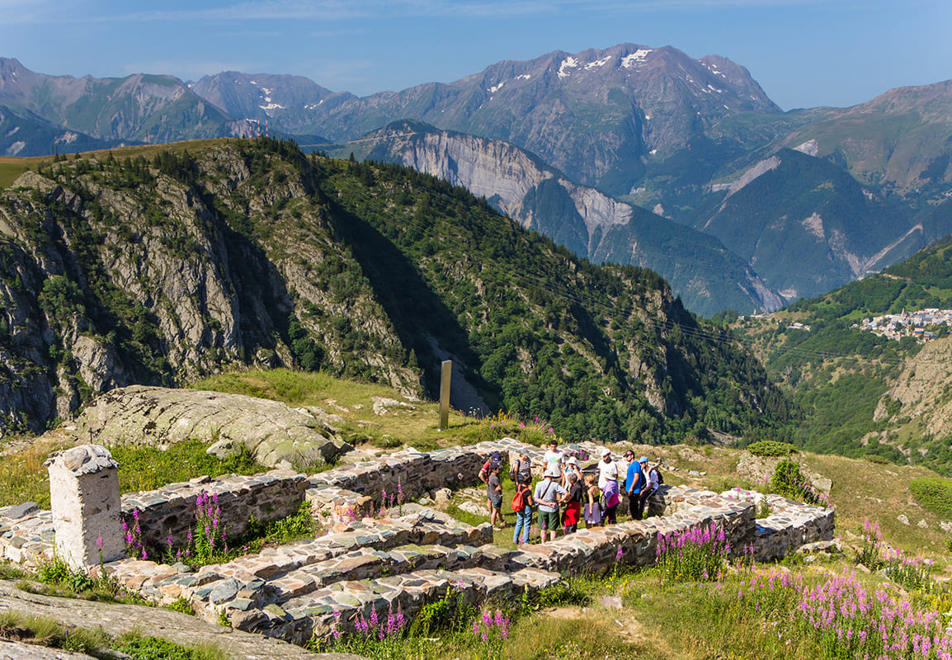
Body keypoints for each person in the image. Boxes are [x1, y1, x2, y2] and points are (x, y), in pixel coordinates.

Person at [533, 467, 565, 543]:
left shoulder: (539, 484)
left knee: (543, 529)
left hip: (542, 509)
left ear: (544, 476)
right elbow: (566, 493)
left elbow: (536, 498)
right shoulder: (555, 485)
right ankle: (552, 544)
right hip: (553, 509)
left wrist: (546, 503)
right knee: (553, 530)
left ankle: (543, 543)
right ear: (552, 477)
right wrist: (560, 500)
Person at [512, 475, 535, 544]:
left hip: (519, 507)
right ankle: (526, 542)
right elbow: (530, 503)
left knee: (519, 523)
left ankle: (515, 539)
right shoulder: (528, 491)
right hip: (526, 508)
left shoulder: (518, 487)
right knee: (526, 524)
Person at [625, 451, 647, 521]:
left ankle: (636, 521)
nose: (626, 458)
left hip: (634, 490)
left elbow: (636, 477)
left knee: (634, 508)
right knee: (632, 507)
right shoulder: (632, 464)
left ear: (632, 456)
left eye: (627, 456)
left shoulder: (635, 464)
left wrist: (631, 488)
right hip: (631, 489)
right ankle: (635, 520)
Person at [487, 464, 504, 528]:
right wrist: (500, 487)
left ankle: (502, 521)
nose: (499, 470)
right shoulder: (495, 478)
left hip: (492, 494)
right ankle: (493, 525)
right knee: (495, 511)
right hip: (496, 496)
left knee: (498, 510)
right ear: (494, 470)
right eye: (498, 469)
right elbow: (500, 487)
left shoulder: (490, 476)